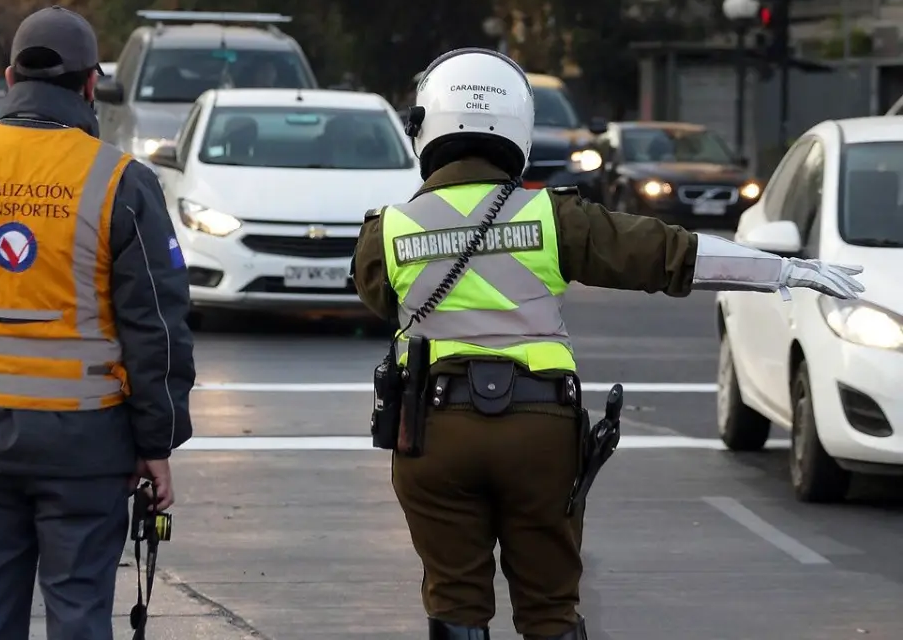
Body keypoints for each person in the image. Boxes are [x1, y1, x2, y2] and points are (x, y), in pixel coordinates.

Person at [351, 48, 864, 640]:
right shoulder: (554, 218)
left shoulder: (388, 230)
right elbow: (670, 254)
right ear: (518, 125)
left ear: (425, 127)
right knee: (548, 606)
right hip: (540, 430)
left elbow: (379, 299)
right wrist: (781, 270)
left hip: (433, 430)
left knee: (455, 601)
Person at [0, 6, 196, 640]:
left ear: (8, 78)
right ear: (89, 85)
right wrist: (155, 443)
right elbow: (156, 327)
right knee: (79, 609)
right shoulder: (120, 183)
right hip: (87, 447)